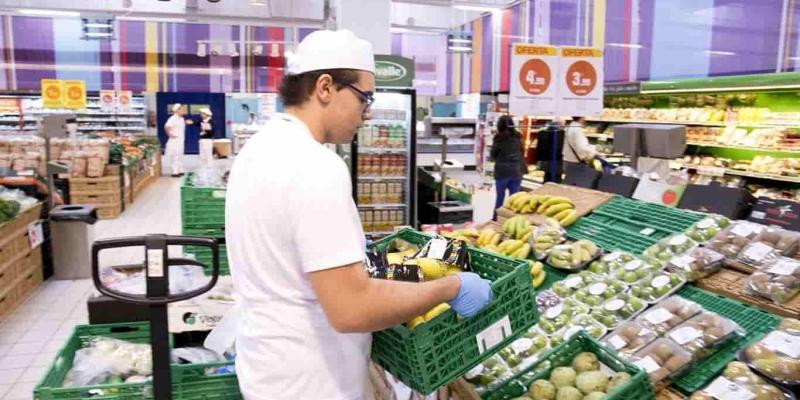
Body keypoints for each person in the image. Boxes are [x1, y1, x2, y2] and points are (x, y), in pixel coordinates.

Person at [225, 30, 493, 400]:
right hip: (313, 382)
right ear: (325, 87)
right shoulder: (316, 166)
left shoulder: (259, 149)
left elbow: (287, 254)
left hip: (268, 368)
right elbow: (352, 309)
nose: (366, 114)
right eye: (364, 98)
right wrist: (451, 287)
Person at [490, 115, 525, 219]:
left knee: (500, 198)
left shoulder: (499, 138)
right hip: (516, 171)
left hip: (502, 172)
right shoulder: (518, 136)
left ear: (499, 125)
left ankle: (496, 219)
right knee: (514, 200)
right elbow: (522, 151)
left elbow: (493, 155)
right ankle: (512, 220)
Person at [164, 103, 193, 177]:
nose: (183, 111)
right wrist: (170, 134)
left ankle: (180, 170)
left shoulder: (182, 119)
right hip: (175, 140)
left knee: (180, 155)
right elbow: (167, 127)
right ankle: (175, 172)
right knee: (175, 156)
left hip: (181, 140)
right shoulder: (172, 118)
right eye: (181, 109)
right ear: (177, 110)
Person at [535, 117, 566, 183]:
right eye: (563, 125)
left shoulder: (544, 131)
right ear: (560, 124)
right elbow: (560, 149)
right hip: (556, 163)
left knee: (547, 178)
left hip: (545, 162)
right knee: (555, 181)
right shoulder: (559, 133)